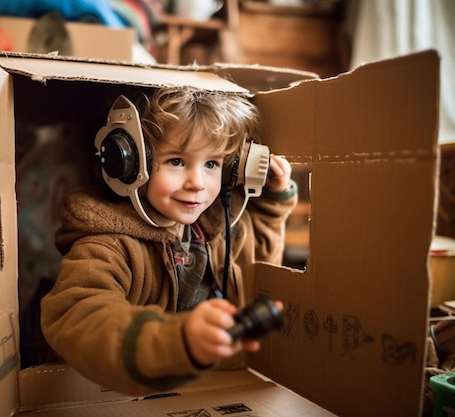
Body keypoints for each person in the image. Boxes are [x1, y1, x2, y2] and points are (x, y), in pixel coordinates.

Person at [40, 86, 297, 396]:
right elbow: (78, 314)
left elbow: (259, 254)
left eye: (212, 164)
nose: (197, 183)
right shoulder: (108, 246)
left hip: (214, 387)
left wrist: (271, 200)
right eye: (176, 161)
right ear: (130, 162)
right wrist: (178, 341)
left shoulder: (214, 227)